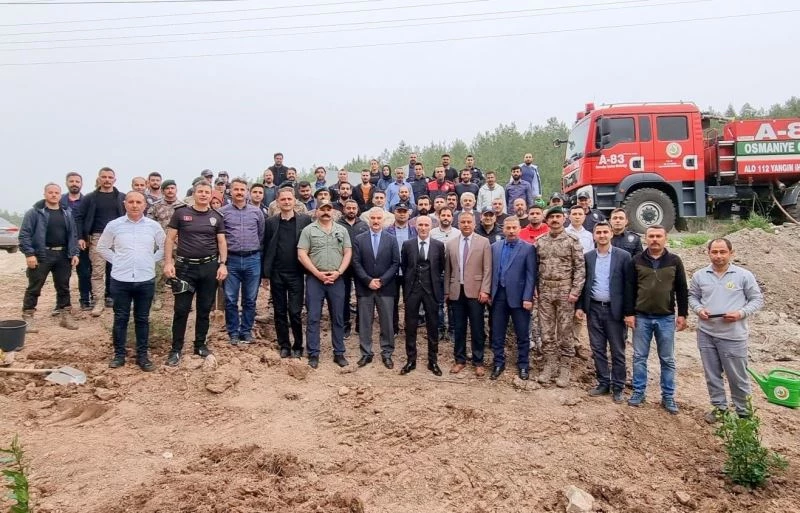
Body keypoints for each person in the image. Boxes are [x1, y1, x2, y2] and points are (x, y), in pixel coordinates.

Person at [689, 238, 764, 423]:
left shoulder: (743, 275)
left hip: (733, 335)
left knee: (737, 376)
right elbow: (693, 297)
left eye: (722, 252)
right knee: (712, 375)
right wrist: (699, 309)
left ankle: (744, 412)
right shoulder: (700, 275)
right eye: (714, 252)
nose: (718, 256)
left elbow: (756, 299)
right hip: (706, 333)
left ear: (731, 253)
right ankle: (719, 408)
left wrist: (740, 313)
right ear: (708, 253)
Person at [97, 191, 165, 371]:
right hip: (121, 279)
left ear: (145, 205)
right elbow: (102, 247)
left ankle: (142, 356)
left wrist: (151, 260)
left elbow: (164, 247)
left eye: (139, 202)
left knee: (142, 319)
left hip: (145, 279)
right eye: (131, 202)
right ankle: (119, 355)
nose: (135, 205)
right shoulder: (114, 225)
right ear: (125, 204)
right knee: (120, 318)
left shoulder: (153, 226)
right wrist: (118, 260)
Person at [163, 181, 228, 366]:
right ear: (194, 194)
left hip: (209, 268)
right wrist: (168, 262)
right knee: (181, 309)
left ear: (211, 195)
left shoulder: (216, 216)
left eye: (207, 192)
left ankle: (200, 345)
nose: (204, 195)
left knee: (204, 309)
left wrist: (222, 264)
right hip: (185, 269)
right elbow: (170, 239)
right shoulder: (181, 213)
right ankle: (176, 349)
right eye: (200, 191)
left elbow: (222, 242)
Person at [628, 225, 689, 414]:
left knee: (667, 359)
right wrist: (629, 313)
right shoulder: (636, 260)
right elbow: (629, 288)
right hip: (641, 317)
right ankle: (639, 392)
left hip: (666, 317)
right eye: (651, 236)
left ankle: (668, 396)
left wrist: (683, 314)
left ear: (665, 238)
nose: (655, 239)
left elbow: (682, 288)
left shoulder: (674, 261)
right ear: (645, 238)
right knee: (639, 357)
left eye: (658, 236)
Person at [575, 221, 634, 403]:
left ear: (611, 234)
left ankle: (618, 386)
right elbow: (583, 283)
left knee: (617, 350)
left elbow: (629, 286)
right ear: (594, 235)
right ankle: (603, 382)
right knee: (598, 349)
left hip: (615, 311)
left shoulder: (623, 256)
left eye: (605, 232)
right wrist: (580, 307)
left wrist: (629, 312)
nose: (602, 235)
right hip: (594, 309)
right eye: (598, 232)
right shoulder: (588, 257)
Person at [297, 200, 353, 369]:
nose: (326, 212)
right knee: (313, 317)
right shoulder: (308, 230)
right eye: (323, 209)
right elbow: (301, 254)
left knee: (338, 317)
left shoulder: (341, 230)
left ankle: (339, 353)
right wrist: (317, 273)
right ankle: (313, 353)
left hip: (336, 279)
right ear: (317, 212)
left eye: (329, 209)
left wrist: (339, 272)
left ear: (333, 212)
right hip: (315, 279)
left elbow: (348, 252)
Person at [20, 183, 80, 333]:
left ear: (60, 195)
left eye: (56, 193)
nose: (54, 195)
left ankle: (65, 316)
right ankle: (28, 317)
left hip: (63, 255)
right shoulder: (34, 213)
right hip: (42, 254)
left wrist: (74, 253)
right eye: (50, 192)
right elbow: (25, 234)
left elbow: (73, 234)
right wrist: (29, 254)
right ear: (45, 194)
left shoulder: (67, 212)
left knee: (63, 286)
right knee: (35, 286)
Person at [536, 206, 586, 387]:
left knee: (565, 331)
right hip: (545, 292)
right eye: (552, 217)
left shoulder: (572, 241)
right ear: (547, 221)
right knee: (546, 331)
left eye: (558, 216)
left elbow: (580, 268)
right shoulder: (540, 241)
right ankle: (549, 365)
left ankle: (565, 367)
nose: (555, 220)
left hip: (565, 291)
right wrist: (535, 288)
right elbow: (535, 267)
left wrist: (575, 291)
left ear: (564, 219)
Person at [262, 187, 312, 358]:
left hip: (296, 273)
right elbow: (266, 247)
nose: (286, 202)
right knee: (280, 311)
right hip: (277, 273)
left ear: (294, 201)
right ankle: (284, 345)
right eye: (283, 199)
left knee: (295, 312)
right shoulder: (270, 222)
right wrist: (265, 274)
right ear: (277, 202)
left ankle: (298, 345)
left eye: (289, 199)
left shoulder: (305, 220)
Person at [351, 207, 401, 369]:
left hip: (385, 288)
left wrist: (382, 280)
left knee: (387, 322)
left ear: (383, 220)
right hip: (365, 287)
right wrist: (368, 280)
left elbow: (395, 263)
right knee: (365, 322)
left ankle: (387, 353)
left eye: (379, 218)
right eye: (373, 218)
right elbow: (356, 262)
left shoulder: (391, 239)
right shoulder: (359, 239)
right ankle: (366, 353)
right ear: (369, 220)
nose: (376, 221)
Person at [445, 212, 492, 376]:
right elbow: (448, 270)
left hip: (476, 291)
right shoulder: (451, 244)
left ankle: (478, 361)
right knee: (459, 328)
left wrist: (485, 289)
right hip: (456, 292)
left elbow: (488, 269)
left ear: (474, 224)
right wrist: (447, 291)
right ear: (458, 224)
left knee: (477, 328)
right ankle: (460, 360)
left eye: (468, 222)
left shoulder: (484, 242)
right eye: (463, 222)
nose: (466, 225)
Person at [489, 217, 536, 380]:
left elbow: (531, 275)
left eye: (514, 228)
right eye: (508, 228)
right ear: (503, 229)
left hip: (520, 297)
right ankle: (498, 362)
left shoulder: (528, 248)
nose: (511, 231)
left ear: (519, 229)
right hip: (498, 296)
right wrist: (490, 293)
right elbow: (491, 271)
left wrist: (528, 297)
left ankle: (523, 364)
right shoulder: (495, 247)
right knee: (497, 333)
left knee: (522, 334)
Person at [76, 167, 126, 317]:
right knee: (97, 271)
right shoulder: (90, 198)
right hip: (98, 238)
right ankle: (98, 301)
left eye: (110, 177)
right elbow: (79, 217)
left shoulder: (121, 197)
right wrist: (81, 237)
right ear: (99, 179)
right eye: (104, 177)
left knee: (118, 269)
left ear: (114, 180)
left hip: (118, 238)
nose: (107, 180)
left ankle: (116, 298)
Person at [220, 178, 265, 345]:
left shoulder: (256, 212)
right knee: (230, 298)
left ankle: (246, 331)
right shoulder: (222, 212)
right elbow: (220, 237)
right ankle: (233, 332)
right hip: (231, 260)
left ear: (247, 192)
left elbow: (261, 235)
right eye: (236, 189)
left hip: (253, 259)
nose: (239, 192)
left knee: (250, 299)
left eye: (242, 190)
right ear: (230, 191)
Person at [399, 216, 445, 376]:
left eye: (426, 225)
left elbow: (441, 267)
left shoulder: (438, 245)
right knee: (410, 326)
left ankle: (433, 361)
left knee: (433, 326)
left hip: (431, 289)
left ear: (430, 227)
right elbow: (405, 266)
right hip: (413, 289)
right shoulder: (408, 244)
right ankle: (411, 360)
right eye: (420, 225)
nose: (423, 228)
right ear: (416, 226)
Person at [147, 179, 185, 311]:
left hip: (181, 244)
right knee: (160, 273)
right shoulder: (155, 206)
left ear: (176, 189)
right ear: (163, 191)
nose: (170, 190)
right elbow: (149, 225)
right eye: (167, 188)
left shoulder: (184, 207)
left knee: (182, 272)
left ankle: (182, 298)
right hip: (162, 244)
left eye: (172, 188)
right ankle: (158, 298)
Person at [60, 171, 93, 311]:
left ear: (81, 184)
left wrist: (84, 237)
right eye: (71, 181)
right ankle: (62, 304)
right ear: (66, 183)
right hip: (63, 242)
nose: (74, 184)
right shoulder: (60, 201)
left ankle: (85, 300)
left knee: (84, 273)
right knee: (62, 276)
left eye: (77, 181)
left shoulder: (87, 201)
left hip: (82, 243)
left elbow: (89, 221)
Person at [337, 199, 369, 338]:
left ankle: (360, 325)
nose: (351, 210)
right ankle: (345, 325)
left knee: (361, 295)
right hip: (342, 265)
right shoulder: (337, 225)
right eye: (348, 208)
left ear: (357, 210)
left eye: (354, 208)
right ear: (344, 209)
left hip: (360, 265)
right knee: (343, 296)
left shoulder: (364, 225)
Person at [386, 201, 416, 336]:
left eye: (404, 212)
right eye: (399, 212)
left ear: (409, 214)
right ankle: (393, 328)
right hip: (392, 271)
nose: (402, 214)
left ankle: (409, 327)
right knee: (393, 301)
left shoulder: (414, 231)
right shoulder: (387, 231)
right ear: (394, 213)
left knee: (409, 301)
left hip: (409, 271)